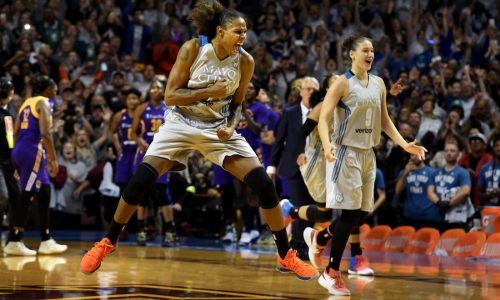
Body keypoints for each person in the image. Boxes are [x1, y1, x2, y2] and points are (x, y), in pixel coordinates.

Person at [80, 0, 318, 281]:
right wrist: (206, 91)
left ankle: (285, 254)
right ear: (220, 31)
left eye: (245, 32)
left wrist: (230, 126)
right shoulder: (193, 49)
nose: (243, 37)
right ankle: (108, 241)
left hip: (216, 127)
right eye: (238, 32)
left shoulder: (245, 61)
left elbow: (237, 104)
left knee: (264, 185)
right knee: (139, 182)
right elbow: (171, 96)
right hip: (181, 123)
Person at [310, 36, 426, 296]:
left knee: (363, 214)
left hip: (368, 154)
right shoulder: (342, 83)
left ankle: (320, 237)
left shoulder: (379, 83)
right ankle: (331, 273)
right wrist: (327, 145)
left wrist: (404, 144)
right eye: (365, 50)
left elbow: (384, 120)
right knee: (349, 215)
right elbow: (323, 118)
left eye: (372, 50)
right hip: (345, 153)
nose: (370, 54)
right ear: (352, 54)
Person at [5, 74, 68, 256]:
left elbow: (15, 132)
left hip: (20, 150)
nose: (57, 91)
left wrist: (15, 156)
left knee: (45, 189)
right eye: (55, 88)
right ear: (48, 90)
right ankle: (14, 240)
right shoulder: (44, 103)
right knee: (27, 194)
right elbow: (46, 133)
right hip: (33, 152)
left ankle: (46, 238)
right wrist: (53, 158)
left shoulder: (27, 102)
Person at [267, 76, 320, 259]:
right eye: (308, 88)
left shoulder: (322, 112)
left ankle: (300, 244)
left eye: (315, 89)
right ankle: (298, 246)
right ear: (302, 92)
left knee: (313, 208)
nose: (311, 92)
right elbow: (279, 139)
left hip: (315, 167)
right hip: (294, 167)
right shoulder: (290, 112)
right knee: (302, 205)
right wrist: (272, 165)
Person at [130, 80, 177, 247]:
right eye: (152, 87)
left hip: (162, 154)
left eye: (158, 87)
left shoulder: (170, 108)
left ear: (164, 90)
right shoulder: (141, 108)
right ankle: (141, 230)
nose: (155, 90)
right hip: (144, 154)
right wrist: (140, 140)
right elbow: (133, 133)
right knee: (141, 194)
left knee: (162, 193)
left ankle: (170, 231)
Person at [428, 141, 474, 230]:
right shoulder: (435, 172)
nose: (449, 153)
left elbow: (465, 191)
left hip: (455, 216)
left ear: (458, 154)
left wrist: (449, 204)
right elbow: (430, 192)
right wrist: (439, 203)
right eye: (446, 151)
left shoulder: (463, 172)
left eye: (452, 151)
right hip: (436, 215)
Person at [0, 78, 20, 246]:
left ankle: (13, 238)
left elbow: (11, 141)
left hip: (7, 164)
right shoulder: (8, 116)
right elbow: (11, 141)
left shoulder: (9, 114)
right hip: (6, 163)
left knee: (12, 198)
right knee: (7, 197)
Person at [477, 134, 500, 206]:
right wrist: (487, 194)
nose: (499, 148)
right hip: (489, 210)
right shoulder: (485, 168)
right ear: (493, 148)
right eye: (496, 146)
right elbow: (478, 193)